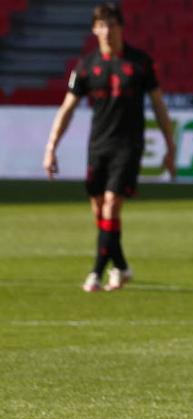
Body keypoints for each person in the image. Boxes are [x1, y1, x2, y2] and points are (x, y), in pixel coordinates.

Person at [42, 2, 176, 293]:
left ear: (120, 28)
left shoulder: (140, 63)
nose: (106, 31)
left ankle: (95, 273)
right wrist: (51, 146)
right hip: (98, 146)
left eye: (112, 25)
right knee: (100, 212)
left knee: (112, 205)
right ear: (94, 29)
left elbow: (159, 106)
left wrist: (170, 146)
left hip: (128, 146)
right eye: (101, 25)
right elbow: (67, 108)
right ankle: (122, 266)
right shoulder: (86, 66)